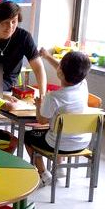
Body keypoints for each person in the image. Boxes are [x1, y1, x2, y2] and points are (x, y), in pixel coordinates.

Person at [25, 49, 92, 186]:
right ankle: (59, 167)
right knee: (60, 128)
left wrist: (38, 105)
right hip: (82, 142)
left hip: (58, 145)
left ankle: (43, 173)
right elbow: (67, 70)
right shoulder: (82, 85)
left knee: (27, 135)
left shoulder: (54, 97)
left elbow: (42, 120)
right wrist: (48, 57)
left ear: (61, 72)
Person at [0, 1, 47, 96]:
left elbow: (38, 68)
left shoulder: (24, 37)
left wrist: (43, 95)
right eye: (5, 22)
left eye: (14, 22)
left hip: (9, 81)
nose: (10, 27)